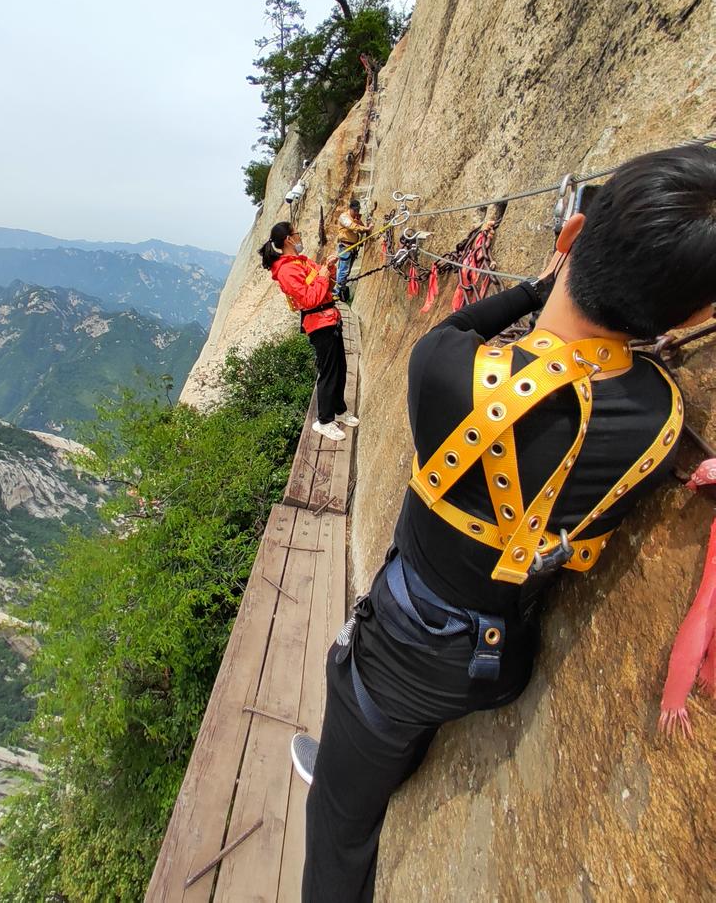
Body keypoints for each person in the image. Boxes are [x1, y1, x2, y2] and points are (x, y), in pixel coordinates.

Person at [290, 143, 716, 902]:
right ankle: (389, 746)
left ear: (573, 231)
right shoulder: (657, 418)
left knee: (336, 812)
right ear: (690, 317)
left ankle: (358, 766)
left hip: (406, 649)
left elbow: (460, 329)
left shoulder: (443, 372)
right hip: (501, 659)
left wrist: (535, 287)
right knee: (396, 711)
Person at [259, 220, 359, 443]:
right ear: (288, 239)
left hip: (329, 317)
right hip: (319, 322)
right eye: (296, 233)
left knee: (340, 367)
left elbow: (324, 284)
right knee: (329, 372)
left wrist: (328, 268)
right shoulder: (286, 270)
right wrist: (323, 274)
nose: (299, 237)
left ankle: (339, 409)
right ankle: (324, 421)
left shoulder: (300, 261)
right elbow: (309, 298)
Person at [335, 199, 372, 302]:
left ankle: (340, 291)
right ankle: (337, 292)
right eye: (355, 211)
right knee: (343, 271)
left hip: (352, 248)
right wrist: (366, 228)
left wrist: (360, 223)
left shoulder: (354, 218)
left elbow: (360, 227)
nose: (356, 212)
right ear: (350, 209)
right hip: (345, 247)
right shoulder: (344, 217)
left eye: (357, 211)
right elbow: (351, 226)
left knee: (347, 272)